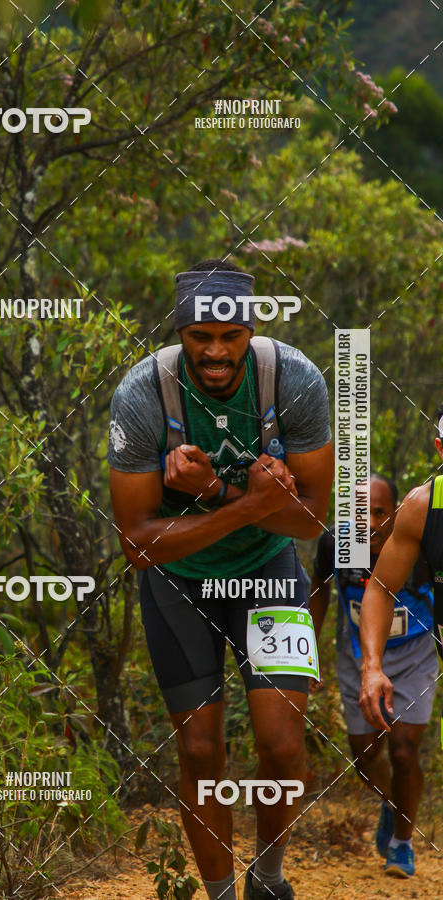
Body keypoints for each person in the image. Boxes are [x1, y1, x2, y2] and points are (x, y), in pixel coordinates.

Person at [107, 259, 334, 900]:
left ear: (251, 327)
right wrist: (249, 502)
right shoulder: (143, 394)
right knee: (202, 753)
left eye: (229, 336)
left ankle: (267, 880)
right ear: (180, 330)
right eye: (199, 335)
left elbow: (312, 519)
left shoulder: (294, 381)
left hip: (268, 569)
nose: (214, 350)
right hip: (178, 581)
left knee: (283, 744)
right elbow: (137, 544)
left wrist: (210, 487)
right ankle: (219, 895)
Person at [310, 474, 437, 878]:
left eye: (379, 512)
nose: (368, 522)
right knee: (365, 755)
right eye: (357, 513)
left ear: (396, 513)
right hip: (358, 655)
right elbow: (319, 592)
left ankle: (402, 843)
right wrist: (308, 649)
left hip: (415, 655)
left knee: (403, 751)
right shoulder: (334, 544)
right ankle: (390, 802)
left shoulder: (419, 541)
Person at [359, 404, 443, 878]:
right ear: (439, 449)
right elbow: (380, 587)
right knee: (377, 752)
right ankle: (397, 821)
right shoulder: (422, 507)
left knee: (406, 752)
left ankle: (403, 840)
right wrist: (372, 666)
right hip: (419, 649)